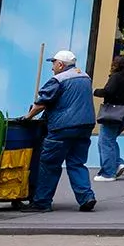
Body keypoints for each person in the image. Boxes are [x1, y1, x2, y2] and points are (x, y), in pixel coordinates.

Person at [25, 49, 97, 213]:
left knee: (49, 164)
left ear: (60, 64)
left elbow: (41, 103)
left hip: (62, 127)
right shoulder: (85, 77)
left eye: (53, 64)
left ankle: (42, 202)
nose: (52, 68)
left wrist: (28, 117)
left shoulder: (58, 80)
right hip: (85, 125)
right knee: (77, 163)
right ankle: (86, 197)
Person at [91, 53, 124, 183]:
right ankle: (117, 163)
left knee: (104, 142)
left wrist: (94, 91)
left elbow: (108, 92)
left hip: (112, 114)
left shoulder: (116, 77)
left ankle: (108, 173)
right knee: (111, 141)